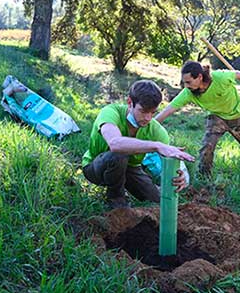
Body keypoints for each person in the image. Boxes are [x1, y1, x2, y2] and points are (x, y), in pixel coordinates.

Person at [82, 80, 195, 208]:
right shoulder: (111, 112)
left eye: (152, 112)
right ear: (130, 103)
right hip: (96, 167)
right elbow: (115, 144)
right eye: (143, 111)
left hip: (131, 169)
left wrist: (181, 176)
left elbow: (171, 159)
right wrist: (156, 146)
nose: (148, 118)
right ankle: (117, 201)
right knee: (118, 156)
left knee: (158, 201)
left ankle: (132, 188)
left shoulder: (156, 130)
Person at [156, 61, 240, 180]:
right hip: (217, 117)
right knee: (207, 147)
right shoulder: (188, 93)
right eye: (184, 83)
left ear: (199, 77)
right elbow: (168, 110)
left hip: (238, 116)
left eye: (188, 82)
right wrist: (150, 125)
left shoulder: (220, 77)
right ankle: (204, 178)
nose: (186, 86)